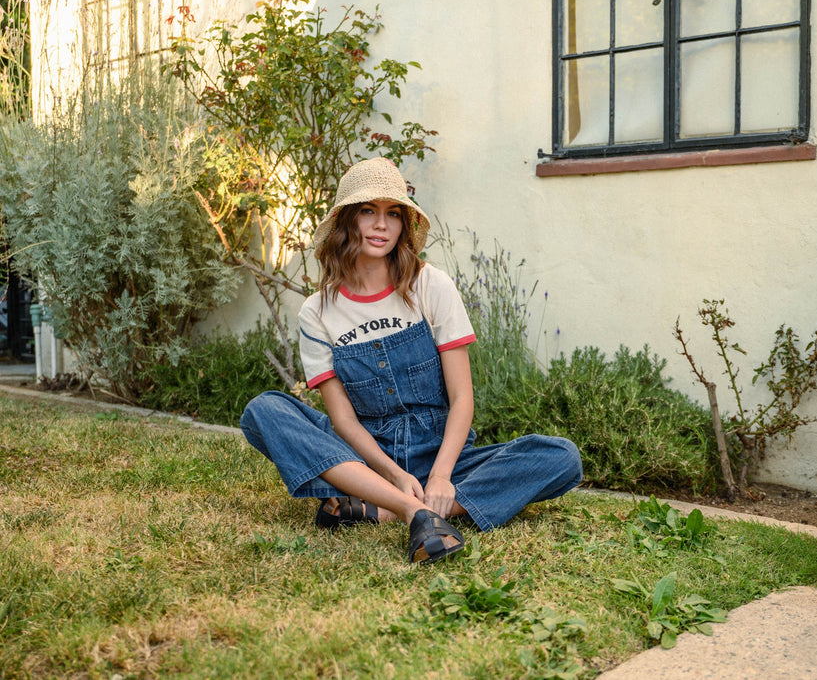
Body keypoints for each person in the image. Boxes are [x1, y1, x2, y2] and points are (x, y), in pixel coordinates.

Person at [240, 157, 583, 564]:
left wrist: (439, 476)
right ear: (347, 221)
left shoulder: (430, 286)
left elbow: (462, 399)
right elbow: (344, 422)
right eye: (368, 211)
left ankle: (379, 509)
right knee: (264, 410)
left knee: (560, 457)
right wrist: (395, 477)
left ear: (404, 224)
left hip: (443, 455)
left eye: (393, 214)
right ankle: (410, 510)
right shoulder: (318, 312)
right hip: (366, 459)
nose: (381, 225)